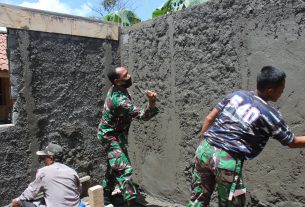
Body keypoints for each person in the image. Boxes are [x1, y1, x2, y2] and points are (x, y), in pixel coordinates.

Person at [188, 66, 305, 207]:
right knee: (234, 202)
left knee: (198, 199)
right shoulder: (269, 114)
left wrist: (203, 144)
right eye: (282, 88)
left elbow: (208, 119)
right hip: (227, 161)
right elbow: (292, 142)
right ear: (270, 91)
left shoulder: (236, 95)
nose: (283, 91)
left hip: (204, 151)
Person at [97, 66, 159, 206]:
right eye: (126, 75)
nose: (129, 76)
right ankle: (130, 202)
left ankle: (106, 193)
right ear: (117, 81)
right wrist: (152, 102)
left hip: (118, 135)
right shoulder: (120, 101)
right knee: (124, 168)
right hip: (109, 136)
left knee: (115, 165)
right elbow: (143, 116)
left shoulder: (119, 88)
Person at [12, 143, 82, 207]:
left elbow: (31, 193)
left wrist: (17, 200)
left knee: (20, 203)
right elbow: (79, 190)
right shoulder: (72, 172)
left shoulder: (44, 172)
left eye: (44, 158)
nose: (43, 161)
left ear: (51, 159)